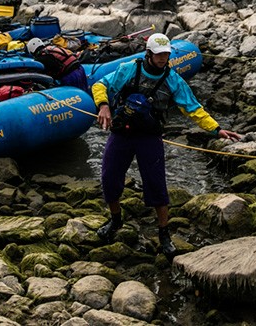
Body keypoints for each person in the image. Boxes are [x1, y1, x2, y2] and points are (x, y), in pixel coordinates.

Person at [92, 32, 243, 258]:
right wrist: (103, 105)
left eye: (166, 54)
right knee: (110, 178)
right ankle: (115, 220)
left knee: (156, 185)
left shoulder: (173, 80)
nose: (163, 59)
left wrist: (216, 129)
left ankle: (164, 233)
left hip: (149, 136)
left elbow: (193, 108)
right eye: (159, 54)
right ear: (148, 54)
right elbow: (100, 85)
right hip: (122, 133)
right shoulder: (129, 69)